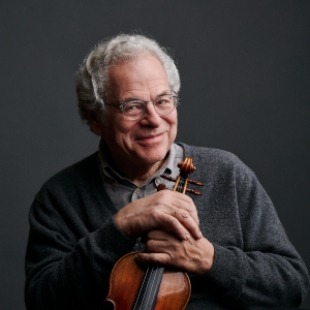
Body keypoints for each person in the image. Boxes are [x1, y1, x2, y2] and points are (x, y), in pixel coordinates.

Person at [25, 33, 309, 309]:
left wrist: (210, 260)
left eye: (163, 100)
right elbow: (43, 300)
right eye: (132, 106)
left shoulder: (229, 174)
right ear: (95, 119)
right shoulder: (59, 197)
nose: (154, 119)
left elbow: (291, 286)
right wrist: (118, 229)